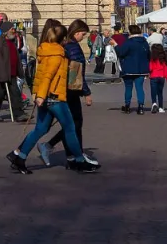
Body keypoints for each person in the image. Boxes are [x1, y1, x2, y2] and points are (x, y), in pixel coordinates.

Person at [6, 21, 98, 174]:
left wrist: (37, 93)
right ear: (62, 39)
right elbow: (48, 77)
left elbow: (39, 75)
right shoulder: (57, 54)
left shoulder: (44, 50)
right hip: (55, 97)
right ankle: (80, 161)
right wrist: (41, 96)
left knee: (40, 129)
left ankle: (20, 158)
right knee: (70, 129)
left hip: (46, 97)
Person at [42, 19, 94, 165]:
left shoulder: (64, 45)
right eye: (83, 34)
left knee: (68, 124)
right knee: (75, 124)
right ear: (77, 33)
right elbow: (77, 73)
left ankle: (68, 154)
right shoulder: (73, 47)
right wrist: (87, 93)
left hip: (62, 89)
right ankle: (76, 154)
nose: (83, 37)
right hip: (70, 90)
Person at [0, 25, 27, 123]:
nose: (14, 31)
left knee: (16, 93)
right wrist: (2, 74)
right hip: (2, 74)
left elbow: (16, 58)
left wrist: (19, 71)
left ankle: (19, 114)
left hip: (12, 73)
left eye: (14, 30)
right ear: (6, 31)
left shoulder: (12, 42)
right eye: (12, 30)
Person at [117, 25, 151, 114]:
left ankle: (127, 106)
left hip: (129, 68)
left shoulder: (128, 42)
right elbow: (148, 55)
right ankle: (141, 107)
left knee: (128, 88)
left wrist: (116, 46)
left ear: (131, 32)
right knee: (139, 88)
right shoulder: (144, 42)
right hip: (141, 69)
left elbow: (121, 53)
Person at [148, 43, 167, 113]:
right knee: (160, 92)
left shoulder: (152, 59)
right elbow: (165, 70)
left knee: (153, 92)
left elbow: (150, 68)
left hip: (153, 77)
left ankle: (154, 103)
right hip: (162, 77)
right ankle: (161, 107)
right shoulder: (163, 59)